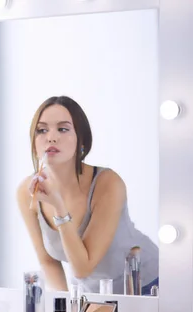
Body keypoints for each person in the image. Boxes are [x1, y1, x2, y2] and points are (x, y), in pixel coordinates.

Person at [16, 95, 159, 295]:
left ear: (81, 140)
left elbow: (83, 268)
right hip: (93, 295)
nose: (51, 137)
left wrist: (58, 207)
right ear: (33, 143)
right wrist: (63, 309)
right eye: (42, 130)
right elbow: (48, 261)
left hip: (148, 285)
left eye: (63, 129)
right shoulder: (26, 192)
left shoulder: (107, 183)